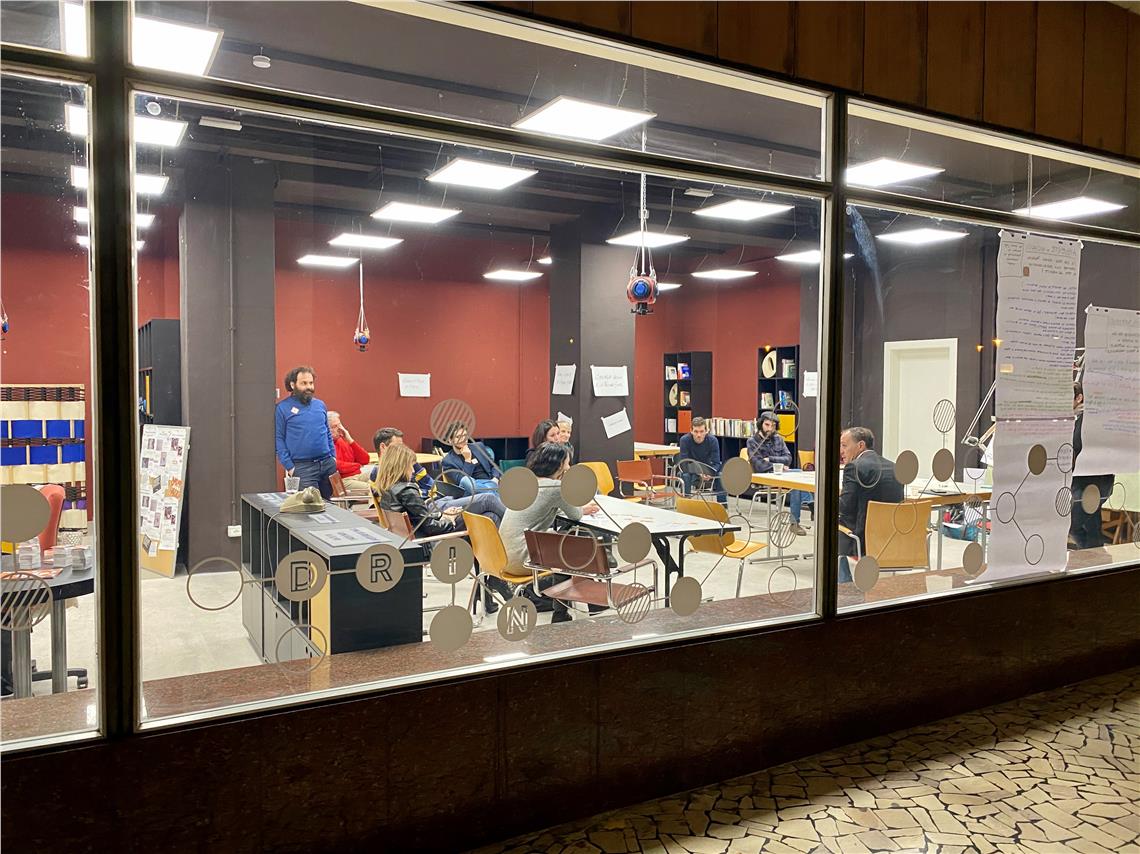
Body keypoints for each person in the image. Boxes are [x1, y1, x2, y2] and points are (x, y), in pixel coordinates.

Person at [498, 442, 600, 623]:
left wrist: (580, 509)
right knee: (571, 549)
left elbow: (549, 507)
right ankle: (566, 611)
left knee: (564, 544)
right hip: (523, 558)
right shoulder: (555, 487)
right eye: (567, 463)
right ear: (560, 465)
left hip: (501, 556)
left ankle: (580, 605)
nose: (569, 467)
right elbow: (575, 515)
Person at [374, 443, 504, 537]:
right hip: (432, 539)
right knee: (488, 499)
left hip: (419, 535)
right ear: (401, 467)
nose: (413, 470)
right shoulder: (407, 490)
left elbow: (421, 518)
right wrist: (448, 519)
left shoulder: (388, 488)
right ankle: (513, 536)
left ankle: (499, 560)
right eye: (410, 466)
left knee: (491, 516)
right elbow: (430, 527)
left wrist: (443, 514)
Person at [837, 426, 903, 583]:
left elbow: (845, 507)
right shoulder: (894, 467)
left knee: (827, 524)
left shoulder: (854, 467)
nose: (841, 451)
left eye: (844, 445)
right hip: (894, 536)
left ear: (860, 445)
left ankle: (845, 584)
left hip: (863, 538)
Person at [274, 366, 336, 499]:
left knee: (334, 506)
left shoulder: (320, 405)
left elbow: (327, 433)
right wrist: (290, 467)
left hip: (328, 464)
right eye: (304, 383)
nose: (309, 387)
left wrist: (333, 457)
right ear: (292, 385)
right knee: (311, 508)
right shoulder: (282, 408)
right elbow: (278, 439)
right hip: (302, 468)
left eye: (311, 383)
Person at [748, 411, 811, 536]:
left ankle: (798, 518)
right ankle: (807, 509)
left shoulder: (778, 439)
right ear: (761, 424)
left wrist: (771, 459)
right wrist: (779, 466)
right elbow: (759, 465)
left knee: (799, 474)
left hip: (782, 474)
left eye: (773, 426)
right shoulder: (752, 441)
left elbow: (788, 458)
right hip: (764, 476)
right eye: (767, 425)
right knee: (796, 480)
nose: (770, 429)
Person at [1070, 381, 1114, 550]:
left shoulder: (1088, 419)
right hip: (1085, 482)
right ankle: (1097, 558)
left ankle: (1092, 557)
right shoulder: (1076, 419)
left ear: (1079, 398)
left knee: (1072, 524)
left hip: (1093, 483)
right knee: (1092, 527)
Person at [441, 421, 501, 494]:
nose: (463, 439)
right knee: (466, 482)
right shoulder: (448, 461)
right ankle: (490, 491)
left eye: (465, 435)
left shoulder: (478, 447)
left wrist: (495, 478)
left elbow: (494, 466)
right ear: (450, 440)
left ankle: (490, 491)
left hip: (489, 481)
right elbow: (463, 483)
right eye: (458, 437)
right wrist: (467, 459)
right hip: (472, 491)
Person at [677, 416, 725, 505]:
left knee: (721, 475)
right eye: (696, 431)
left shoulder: (713, 440)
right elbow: (684, 464)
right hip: (691, 470)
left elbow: (717, 463)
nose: (699, 435)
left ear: (706, 431)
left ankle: (723, 506)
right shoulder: (684, 440)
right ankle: (686, 504)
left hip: (708, 470)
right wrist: (699, 472)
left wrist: (709, 473)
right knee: (685, 475)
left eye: (702, 431)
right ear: (691, 431)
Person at [327, 411, 371, 495]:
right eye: (335, 426)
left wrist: (350, 440)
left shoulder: (344, 440)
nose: (340, 429)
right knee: (374, 489)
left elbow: (365, 460)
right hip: (342, 481)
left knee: (381, 474)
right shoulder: (325, 445)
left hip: (358, 475)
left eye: (340, 425)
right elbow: (337, 466)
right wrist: (357, 465)